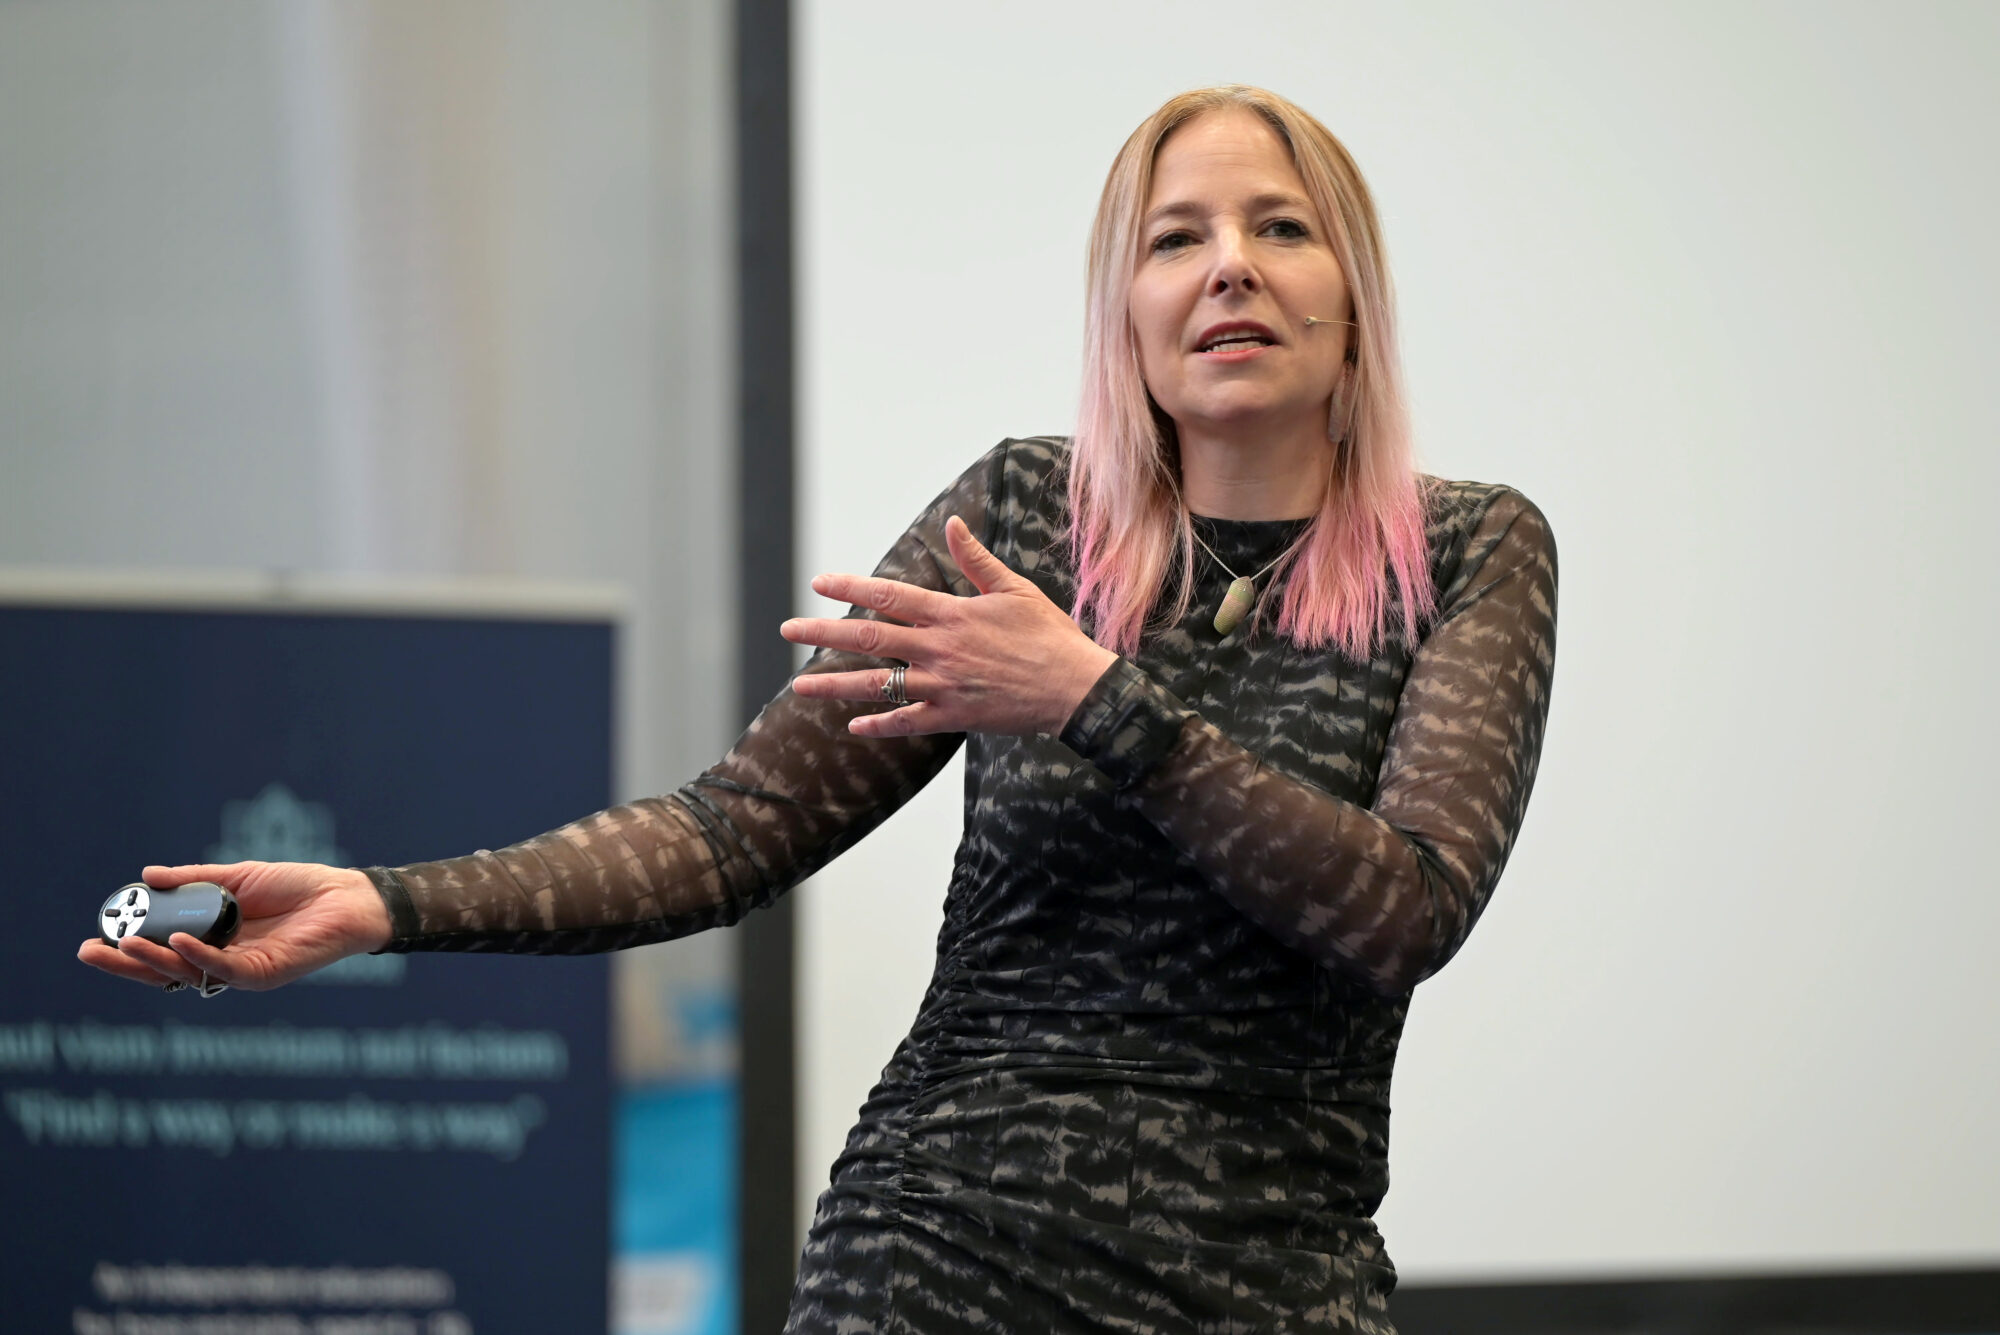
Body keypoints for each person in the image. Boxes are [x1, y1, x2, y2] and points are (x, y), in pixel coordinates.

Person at [81, 84, 1557, 1334]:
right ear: (1128, 313)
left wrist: (1096, 698)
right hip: (935, 1252)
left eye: (1281, 228)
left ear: (1353, 297)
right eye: (1177, 239)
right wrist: (382, 905)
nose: (1229, 267)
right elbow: (730, 832)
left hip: (1270, 1274)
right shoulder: (1025, 516)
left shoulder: (1470, 550)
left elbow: (1403, 909)